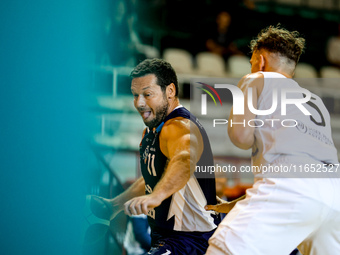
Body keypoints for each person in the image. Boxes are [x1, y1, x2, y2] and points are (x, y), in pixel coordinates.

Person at [205, 25, 340, 255]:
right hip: (333, 197)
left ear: (261, 61)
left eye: (251, 63)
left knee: (222, 248)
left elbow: (241, 137)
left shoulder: (257, 77)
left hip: (292, 190)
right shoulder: (315, 102)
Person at [91, 58, 221, 254]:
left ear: (170, 91)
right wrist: (114, 206)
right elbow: (153, 179)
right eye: (135, 95)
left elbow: (183, 160)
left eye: (147, 94)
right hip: (165, 238)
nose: (139, 103)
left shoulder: (180, 127)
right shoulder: (152, 131)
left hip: (191, 241)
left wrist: (156, 196)